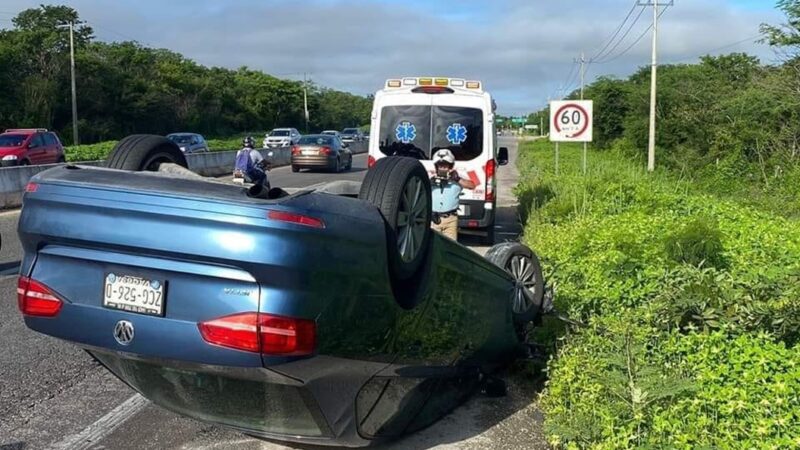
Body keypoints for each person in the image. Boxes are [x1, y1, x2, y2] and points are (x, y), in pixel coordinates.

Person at [430, 149, 475, 240]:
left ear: (450, 166)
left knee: (450, 245)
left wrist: (457, 179)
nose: (442, 168)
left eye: (445, 166)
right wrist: (430, 182)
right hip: (433, 219)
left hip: (450, 219)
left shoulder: (456, 178)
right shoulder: (431, 179)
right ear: (436, 167)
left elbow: (472, 185)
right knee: (432, 246)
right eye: (440, 166)